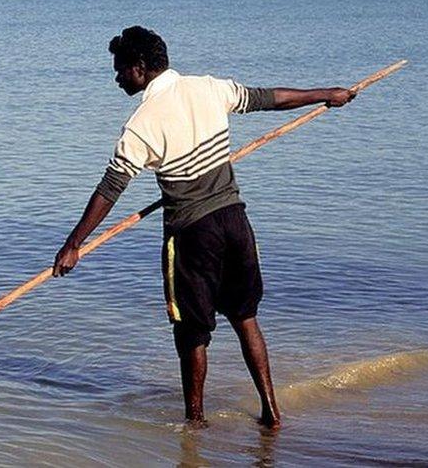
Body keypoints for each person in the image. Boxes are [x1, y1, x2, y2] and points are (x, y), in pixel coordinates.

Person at [52, 26, 355, 429]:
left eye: (120, 69)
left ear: (140, 69)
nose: (117, 78)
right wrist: (326, 94)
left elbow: (110, 188)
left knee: (192, 332)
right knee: (245, 318)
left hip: (193, 234)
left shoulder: (141, 124)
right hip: (235, 222)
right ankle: (271, 413)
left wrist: (73, 244)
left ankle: (194, 424)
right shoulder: (209, 88)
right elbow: (271, 99)